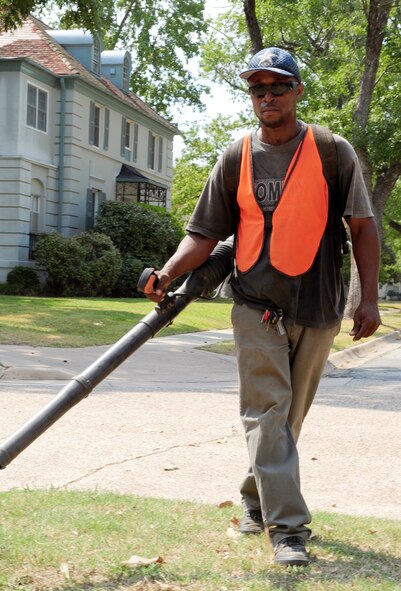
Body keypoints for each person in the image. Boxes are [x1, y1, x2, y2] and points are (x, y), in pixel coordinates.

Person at [146, 47, 381, 567]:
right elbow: (205, 233)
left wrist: (367, 297)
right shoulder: (236, 156)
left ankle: (255, 500)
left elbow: (362, 228)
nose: (267, 96)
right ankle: (288, 530)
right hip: (254, 303)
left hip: (318, 305)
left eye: (277, 86)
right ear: (250, 97)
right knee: (265, 413)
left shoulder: (332, 151)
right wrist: (168, 272)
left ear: (297, 91)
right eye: (258, 89)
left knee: (287, 419)